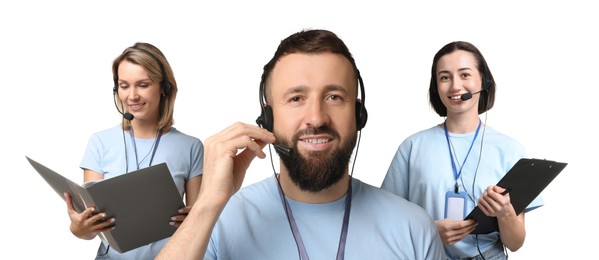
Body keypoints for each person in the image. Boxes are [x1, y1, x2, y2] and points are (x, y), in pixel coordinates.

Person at [156, 29, 445, 259]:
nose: (317, 118)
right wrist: (207, 203)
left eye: (334, 96)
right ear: (267, 119)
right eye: (296, 98)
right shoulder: (218, 224)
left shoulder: (413, 228)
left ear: (358, 114)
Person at [381, 41, 543, 259]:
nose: (455, 86)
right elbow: (385, 225)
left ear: (483, 81)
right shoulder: (412, 147)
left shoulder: (510, 149)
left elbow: (515, 244)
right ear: (436, 86)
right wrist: (428, 231)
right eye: (445, 77)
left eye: (465, 75)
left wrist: (505, 213)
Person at [63, 42, 204, 259]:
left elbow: (199, 226)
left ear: (164, 88)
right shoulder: (100, 142)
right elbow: (89, 230)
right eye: (124, 85)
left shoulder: (191, 147)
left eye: (143, 85)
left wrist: (193, 220)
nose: (132, 96)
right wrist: (79, 228)